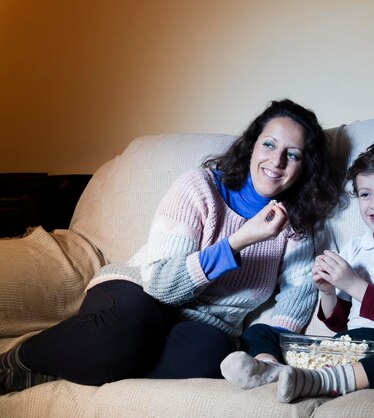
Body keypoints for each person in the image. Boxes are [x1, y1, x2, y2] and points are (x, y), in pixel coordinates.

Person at [0, 99, 341, 395]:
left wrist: (266, 352)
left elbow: (297, 298)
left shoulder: (296, 224)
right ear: (252, 145)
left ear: (304, 168)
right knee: (124, 334)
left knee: (210, 355)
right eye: (269, 145)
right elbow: (160, 285)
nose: (276, 161)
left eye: (292, 154)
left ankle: (79, 361)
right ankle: (22, 357)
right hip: (139, 293)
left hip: (205, 325)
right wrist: (240, 241)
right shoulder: (199, 187)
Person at [221, 138, 374, 403]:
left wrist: (354, 284)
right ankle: (272, 371)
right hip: (347, 345)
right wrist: (328, 292)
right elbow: (339, 324)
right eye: (365, 194)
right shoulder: (355, 247)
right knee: (259, 332)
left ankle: (328, 380)